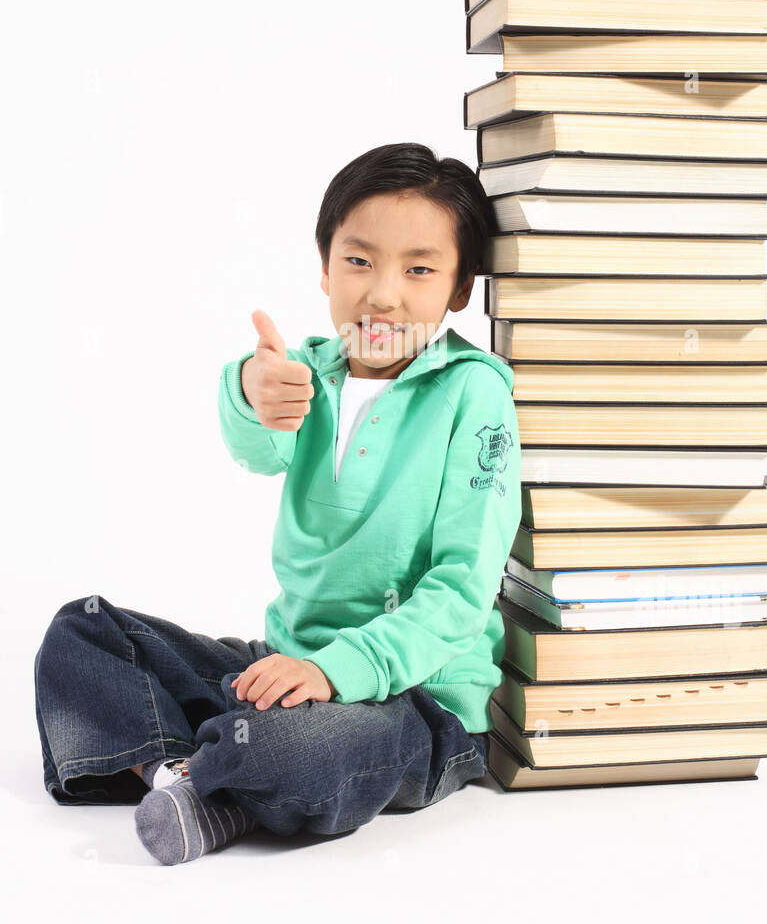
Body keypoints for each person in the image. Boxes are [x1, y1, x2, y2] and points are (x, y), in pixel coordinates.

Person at [33, 142, 522, 864]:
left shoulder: (475, 392)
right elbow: (261, 448)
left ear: (458, 290)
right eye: (359, 261)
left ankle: (209, 766)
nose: (383, 294)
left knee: (302, 748)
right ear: (324, 268)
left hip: (415, 699)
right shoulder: (306, 373)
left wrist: (334, 674)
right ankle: (187, 777)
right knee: (83, 632)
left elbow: (461, 591)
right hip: (284, 664)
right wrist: (249, 389)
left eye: (419, 269)